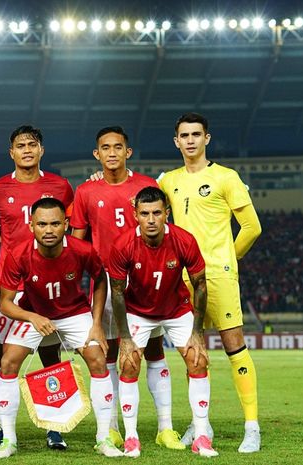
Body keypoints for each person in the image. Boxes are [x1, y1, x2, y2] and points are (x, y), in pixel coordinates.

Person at [71, 126, 181, 450]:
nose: (112, 153)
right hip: (106, 283)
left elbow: (166, 232)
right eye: (105, 148)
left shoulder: (148, 186)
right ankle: (113, 428)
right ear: (97, 154)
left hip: (147, 281)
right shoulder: (86, 192)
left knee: (154, 352)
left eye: (118, 147)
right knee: (111, 353)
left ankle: (165, 428)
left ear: (127, 152)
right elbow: (77, 244)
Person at [158, 112, 262, 453]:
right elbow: (140, 202)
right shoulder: (168, 180)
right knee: (193, 352)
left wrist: (229, 259)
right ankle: (200, 424)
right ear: (176, 141)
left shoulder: (226, 177)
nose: (190, 140)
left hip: (217, 275)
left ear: (207, 138)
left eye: (196, 134)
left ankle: (252, 426)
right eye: (184, 135)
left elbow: (252, 227)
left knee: (234, 345)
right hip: (181, 278)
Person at [0, 198, 123, 458]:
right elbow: (5, 304)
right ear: (31, 225)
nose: (49, 229)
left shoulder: (82, 250)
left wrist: (96, 324)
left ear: (66, 224)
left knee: (98, 359)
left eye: (55, 223)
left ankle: (103, 438)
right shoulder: (18, 254)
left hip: (74, 313)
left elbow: (100, 279)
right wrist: (32, 317)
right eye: (42, 224)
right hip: (34, 313)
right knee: (8, 363)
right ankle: (8, 439)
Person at [0, 125, 73, 450]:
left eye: (32, 144)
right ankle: (5, 429)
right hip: (9, 283)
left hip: (49, 282)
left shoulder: (59, 185)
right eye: (20, 145)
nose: (27, 150)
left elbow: (74, 226)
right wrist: (7, 240)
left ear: (41, 149)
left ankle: (54, 424)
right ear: (11, 152)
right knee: (5, 356)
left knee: (49, 352)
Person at [108, 186, 217, 458]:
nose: (151, 219)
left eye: (157, 212)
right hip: (137, 311)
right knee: (129, 363)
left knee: (198, 359)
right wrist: (125, 338)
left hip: (176, 308)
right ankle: (131, 437)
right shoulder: (122, 244)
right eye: (145, 214)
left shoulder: (184, 240)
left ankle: (202, 436)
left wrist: (197, 332)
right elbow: (118, 293)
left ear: (166, 213)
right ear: (136, 215)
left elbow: (200, 286)